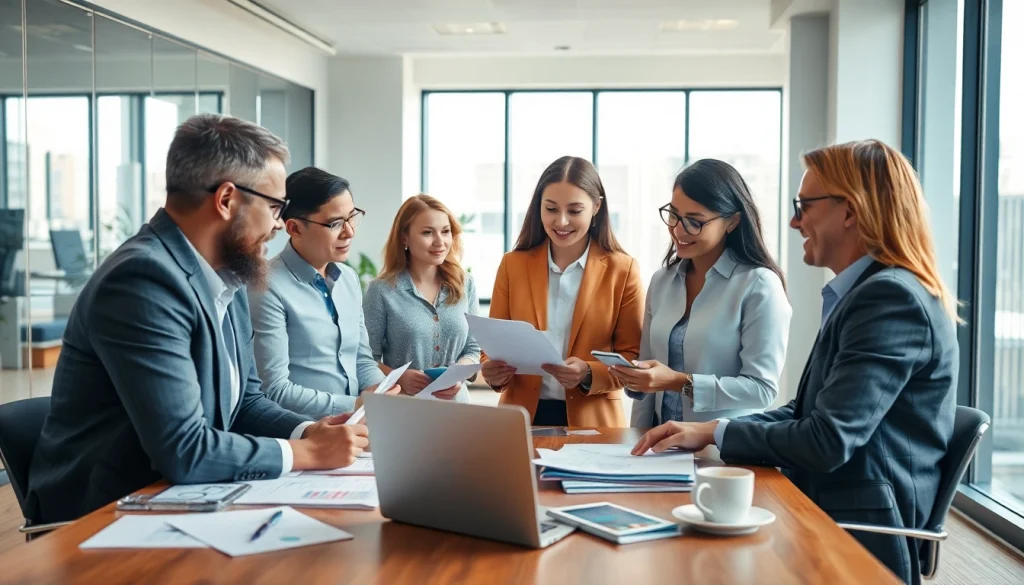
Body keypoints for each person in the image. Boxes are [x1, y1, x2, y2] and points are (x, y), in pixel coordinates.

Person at [631, 140, 959, 585]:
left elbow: (826, 439)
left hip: (855, 531)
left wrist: (715, 428)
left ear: (850, 211)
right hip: (822, 505)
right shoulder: (863, 294)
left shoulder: (889, 298)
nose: (793, 220)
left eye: (804, 205)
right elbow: (810, 411)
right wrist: (707, 431)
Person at [26, 114, 370, 524]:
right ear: (226, 200)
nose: (280, 224)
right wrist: (305, 453)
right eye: (275, 206)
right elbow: (183, 449)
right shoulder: (142, 280)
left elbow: (247, 402)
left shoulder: (231, 272)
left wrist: (306, 431)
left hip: (183, 497)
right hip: (105, 514)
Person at [613, 159, 791, 428]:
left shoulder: (759, 285)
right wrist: (636, 442)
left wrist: (677, 382)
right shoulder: (662, 282)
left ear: (732, 222)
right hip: (660, 446)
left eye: (694, 222)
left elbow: (762, 388)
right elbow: (647, 388)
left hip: (724, 451)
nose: (678, 230)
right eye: (673, 215)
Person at [481, 156, 644, 427]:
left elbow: (634, 359)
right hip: (520, 418)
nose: (562, 221)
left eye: (575, 210)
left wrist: (589, 372)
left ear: (596, 207)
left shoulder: (622, 270)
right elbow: (492, 346)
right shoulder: (513, 265)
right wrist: (492, 372)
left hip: (594, 421)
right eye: (551, 209)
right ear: (539, 208)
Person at [249, 167, 393, 419]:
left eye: (351, 217)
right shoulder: (267, 287)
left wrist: (379, 391)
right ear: (293, 228)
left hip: (357, 426)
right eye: (335, 223)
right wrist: (356, 405)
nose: (349, 232)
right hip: (305, 435)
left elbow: (360, 358)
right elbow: (273, 390)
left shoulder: (347, 278)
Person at [362, 195, 480, 402]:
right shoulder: (381, 291)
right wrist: (397, 377)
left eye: (445, 231)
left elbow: (473, 348)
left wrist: (458, 374)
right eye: (427, 232)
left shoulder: (465, 284)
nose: (440, 241)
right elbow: (365, 358)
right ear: (404, 237)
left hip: (458, 408)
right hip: (404, 407)